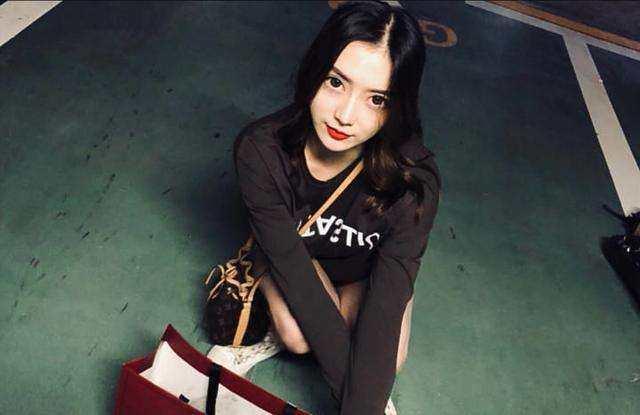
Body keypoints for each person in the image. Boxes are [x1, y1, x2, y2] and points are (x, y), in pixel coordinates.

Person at [208, 1, 441, 414]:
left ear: (398, 105)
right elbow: (295, 272)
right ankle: (264, 308)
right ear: (314, 70)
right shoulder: (261, 150)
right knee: (298, 337)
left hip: (365, 272)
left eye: (376, 99)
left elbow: (384, 311)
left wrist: (362, 402)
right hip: (294, 258)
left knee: (387, 359)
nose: (345, 115)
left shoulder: (414, 179)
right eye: (336, 82)